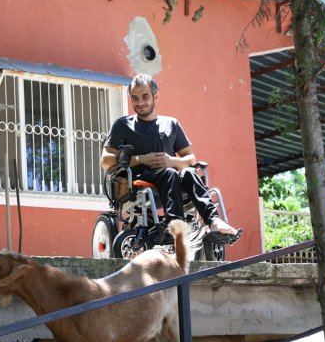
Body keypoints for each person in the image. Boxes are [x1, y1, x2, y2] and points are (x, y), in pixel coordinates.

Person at [100, 73, 241, 243]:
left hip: (173, 183)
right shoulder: (123, 125)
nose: (139, 102)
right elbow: (106, 160)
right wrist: (141, 159)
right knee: (169, 173)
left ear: (156, 96)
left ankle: (214, 221)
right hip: (140, 183)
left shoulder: (171, 124)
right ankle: (176, 225)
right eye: (135, 98)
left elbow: (190, 158)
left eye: (145, 96)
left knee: (188, 172)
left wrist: (171, 161)